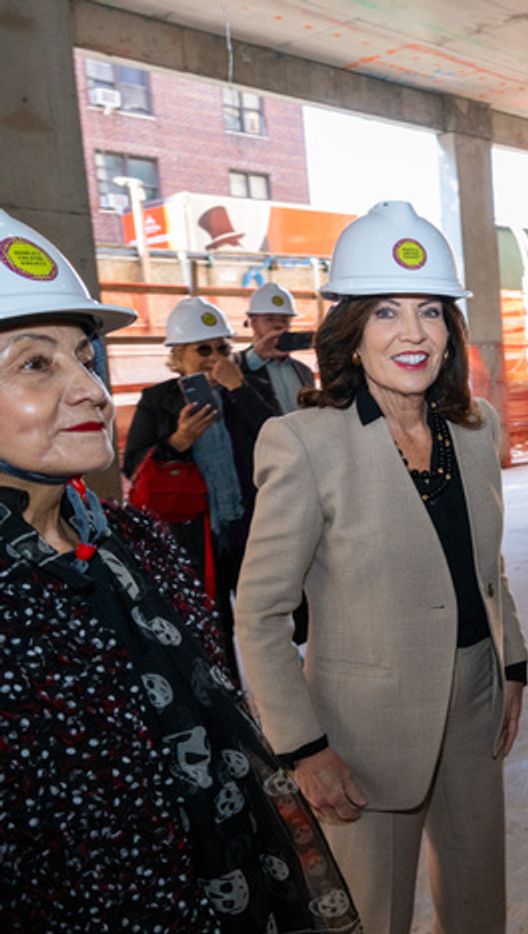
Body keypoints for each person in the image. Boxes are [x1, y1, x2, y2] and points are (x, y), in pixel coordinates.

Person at [0, 209, 359, 930]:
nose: (92, 390)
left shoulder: (136, 545)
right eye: (37, 363)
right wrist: (174, 446)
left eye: (85, 356)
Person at [235, 200, 528, 934]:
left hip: (474, 698)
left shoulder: (474, 426)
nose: (412, 333)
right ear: (351, 328)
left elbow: (487, 564)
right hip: (361, 731)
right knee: (372, 914)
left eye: (430, 311)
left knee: (477, 903)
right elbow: (260, 613)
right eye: (386, 312)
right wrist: (304, 747)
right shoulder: (305, 442)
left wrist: (512, 667)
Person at [122, 295, 275, 668]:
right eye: (202, 348)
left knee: (265, 622)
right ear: (179, 356)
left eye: (223, 347)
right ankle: (229, 702)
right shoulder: (158, 400)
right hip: (195, 533)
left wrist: (239, 389)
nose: (214, 357)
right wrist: (178, 443)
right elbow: (133, 465)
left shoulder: (248, 386)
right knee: (210, 625)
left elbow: (280, 436)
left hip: (251, 525)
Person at [240, 281, 316, 414]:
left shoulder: (305, 372)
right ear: (253, 324)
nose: (278, 326)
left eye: (284, 320)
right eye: (270, 319)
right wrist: (258, 355)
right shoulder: (238, 369)